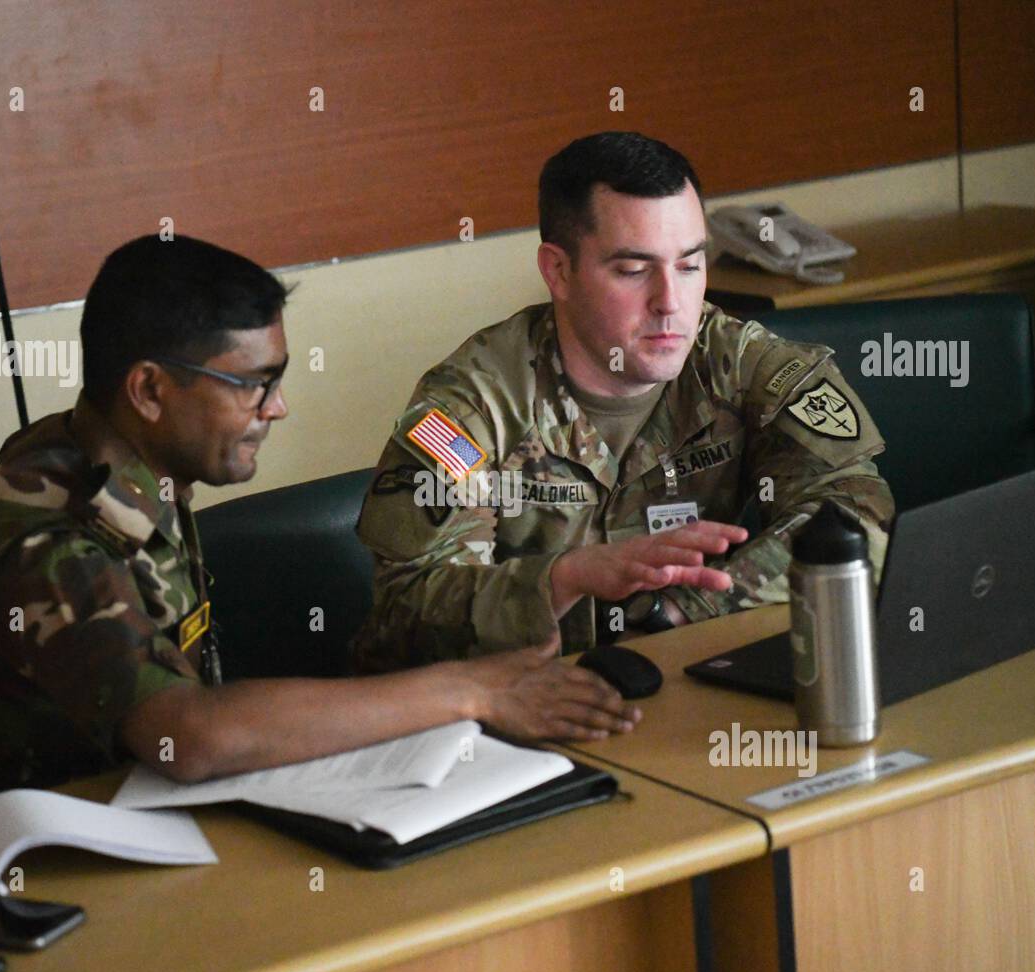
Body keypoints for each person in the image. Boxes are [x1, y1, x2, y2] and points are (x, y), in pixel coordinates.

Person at [0, 235, 641, 816]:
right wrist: (471, 691)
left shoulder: (125, 459)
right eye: (253, 384)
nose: (277, 409)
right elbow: (186, 737)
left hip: (146, 814)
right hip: (25, 858)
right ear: (148, 389)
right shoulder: (53, 535)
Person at [353, 131, 894, 671]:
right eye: (634, 271)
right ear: (558, 271)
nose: (671, 303)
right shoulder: (472, 406)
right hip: (510, 716)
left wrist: (680, 611)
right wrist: (563, 579)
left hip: (685, 683)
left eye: (689, 266)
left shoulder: (738, 362)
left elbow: (856, 514)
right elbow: (407, 618)